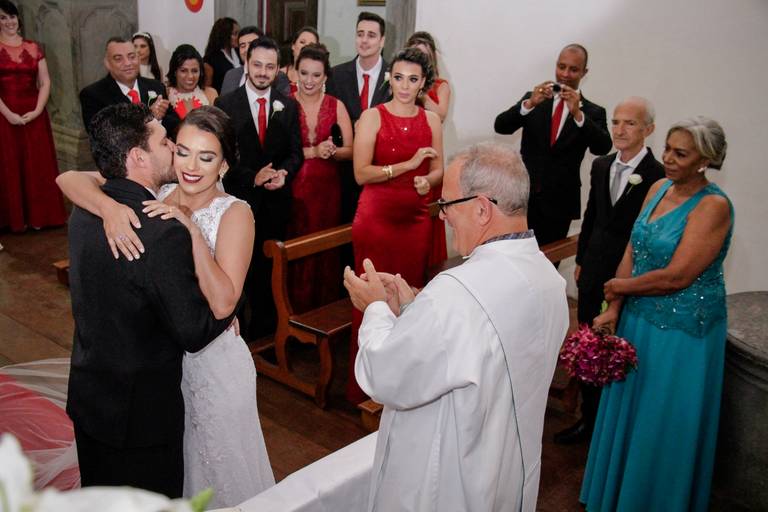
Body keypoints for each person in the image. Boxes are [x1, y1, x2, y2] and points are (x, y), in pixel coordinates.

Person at [57, 105, 275, 506]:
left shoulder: (236, 213)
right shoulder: (153, 190)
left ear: (224, 165)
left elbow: (225, 301)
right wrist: (107, 207)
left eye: (206, 157)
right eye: (180, 150)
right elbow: (68, 177)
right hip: (160, 370)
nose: (190, 165)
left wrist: (190, 229)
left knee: (216, 472)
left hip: (211, 366)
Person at [343, 142, 569, 511]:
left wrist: (376, 310)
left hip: (447, 474)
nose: (442, 217)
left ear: (481, 209)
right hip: (506, 464)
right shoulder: (547, 278)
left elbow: (386, 374)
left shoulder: (459, 294)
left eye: (446, 205)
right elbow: (483, 350)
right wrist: (416, 311)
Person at [580, 117, 733, 511]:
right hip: (638, 320)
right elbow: (634, 247)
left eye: (680, 153)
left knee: (661, 418)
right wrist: (614, 307)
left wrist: (619, 288)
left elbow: (678, 276)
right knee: (631, 410)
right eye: (667, 148)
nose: (667, 158)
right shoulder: (657, 187)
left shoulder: (714, 206)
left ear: (706, 159)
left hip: (681, 332)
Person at [554, 97, 665, 445]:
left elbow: (650, 234)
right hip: (595, 269)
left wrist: (632, 280)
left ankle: (614, 427)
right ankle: (589, 420)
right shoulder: (601, 165)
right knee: (590, 347)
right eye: (616, 121)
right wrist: (584, 259)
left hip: (629, 276)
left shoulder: (658, 176)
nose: (619, 129)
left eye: (630, 123)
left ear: (648, 129)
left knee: (619, 350)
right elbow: (591, 216)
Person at [347, 47, 443, 404]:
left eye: (413, 79)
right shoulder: (372, 116)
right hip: (376, 219)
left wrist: (428, 181)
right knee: (371, 297)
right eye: (398, 77)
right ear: (390, 78)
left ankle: (403, 382)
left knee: (408, 296)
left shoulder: (431, 121)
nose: (404, 86)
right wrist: (408, 166)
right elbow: (360, 173)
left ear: (423, 84)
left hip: (415, 219)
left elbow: (438, 170)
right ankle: (365, 386)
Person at [215, 36, 303, 338]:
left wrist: (283, 173)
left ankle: (265, 336)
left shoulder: (288, 106)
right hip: (239, 203)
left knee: (269, 274)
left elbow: (296, 153)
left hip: (275, 205)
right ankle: (234, 334)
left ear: (278, 68)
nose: (263, 72)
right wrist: (252, 177)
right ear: (246, 64)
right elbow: (221, 158)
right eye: (257, 65)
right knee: (237, 270)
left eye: (270, 66)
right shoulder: (225, 104)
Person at [494, 44, 612, 246]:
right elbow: (501, 126)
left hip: (560, 204)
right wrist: (529, 104)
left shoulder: (593, 112)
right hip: (522, 198)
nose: (565, 74)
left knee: (547, 265)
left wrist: (578, 115)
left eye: (573, 69)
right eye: (561, 66)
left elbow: (602, 147)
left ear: (584, 72)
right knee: (513, 258)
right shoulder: (535, 99)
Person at [287, 43, 353, 312]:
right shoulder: (285, 104)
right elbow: (277, 152)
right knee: (295, 251)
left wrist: (334, 152)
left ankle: (322, 316)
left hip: (328, 191)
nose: (309, 80)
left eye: (316, 75)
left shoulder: (336, 106)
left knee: (325, 252)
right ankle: (293, 314)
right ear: (295, 73)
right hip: (293, 191)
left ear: (325, 76)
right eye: (304, 73)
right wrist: (313, 151)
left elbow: (351, 150)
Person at [0, 0, 66, 232]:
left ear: (18, 19)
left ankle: (41, 217)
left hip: (33, 113)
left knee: (35, 164)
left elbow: (45, 81)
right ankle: (13, 220)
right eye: (3, 18)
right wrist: (8, 115)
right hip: (4, 116)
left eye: (12, 17)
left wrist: (37, 111)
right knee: (9, 165)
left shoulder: (33, 47)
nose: (9, 22)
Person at [326, 11, 391, 224]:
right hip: (344, 174)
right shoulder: (336, 75)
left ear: (382, 40)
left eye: (371, 35)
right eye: (360, 34)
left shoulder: (395, 77)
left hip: (381, 172)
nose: (364, 40)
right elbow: (330, 121)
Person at [406, 30, 450, 266]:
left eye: (424, 56)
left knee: (427, 220)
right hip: (404, 152)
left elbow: (439, 115)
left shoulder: (441, 86)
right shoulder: (401, 84)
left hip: (429, 156)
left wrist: (421, 91)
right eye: (415, 55)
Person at [80, 36, 179, 136]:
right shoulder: (92, 95)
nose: (127, 63)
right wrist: (149, 117)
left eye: (132, 57)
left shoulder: (156, 86)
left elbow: (173, 124)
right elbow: (103, 135)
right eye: (118, 59)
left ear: (138, 59)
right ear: (107, 63)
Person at [220, 25, 290, 97]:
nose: (247, 49)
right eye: (242, 45)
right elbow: (222, 106)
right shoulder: (231, 75)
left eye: (252, 44)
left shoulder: (279, 77)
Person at [166, 44, 218, 120]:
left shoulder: (211, 93)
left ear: (201, 72)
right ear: (175, 72)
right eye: (183, 71)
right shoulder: (165, 94)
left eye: (194, 71)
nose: (190, 76)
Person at [203, 17, 240, 94]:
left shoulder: (239, 52)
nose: (238, 37)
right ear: (224, 35)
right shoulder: (211, 59)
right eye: (235, 34)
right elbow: (207, 89)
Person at [282, 26, 319, 95]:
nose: (305, 47)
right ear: (293, 45)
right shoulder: (278, 74)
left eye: (311, 45)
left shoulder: (321, 78)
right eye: (302, 42)